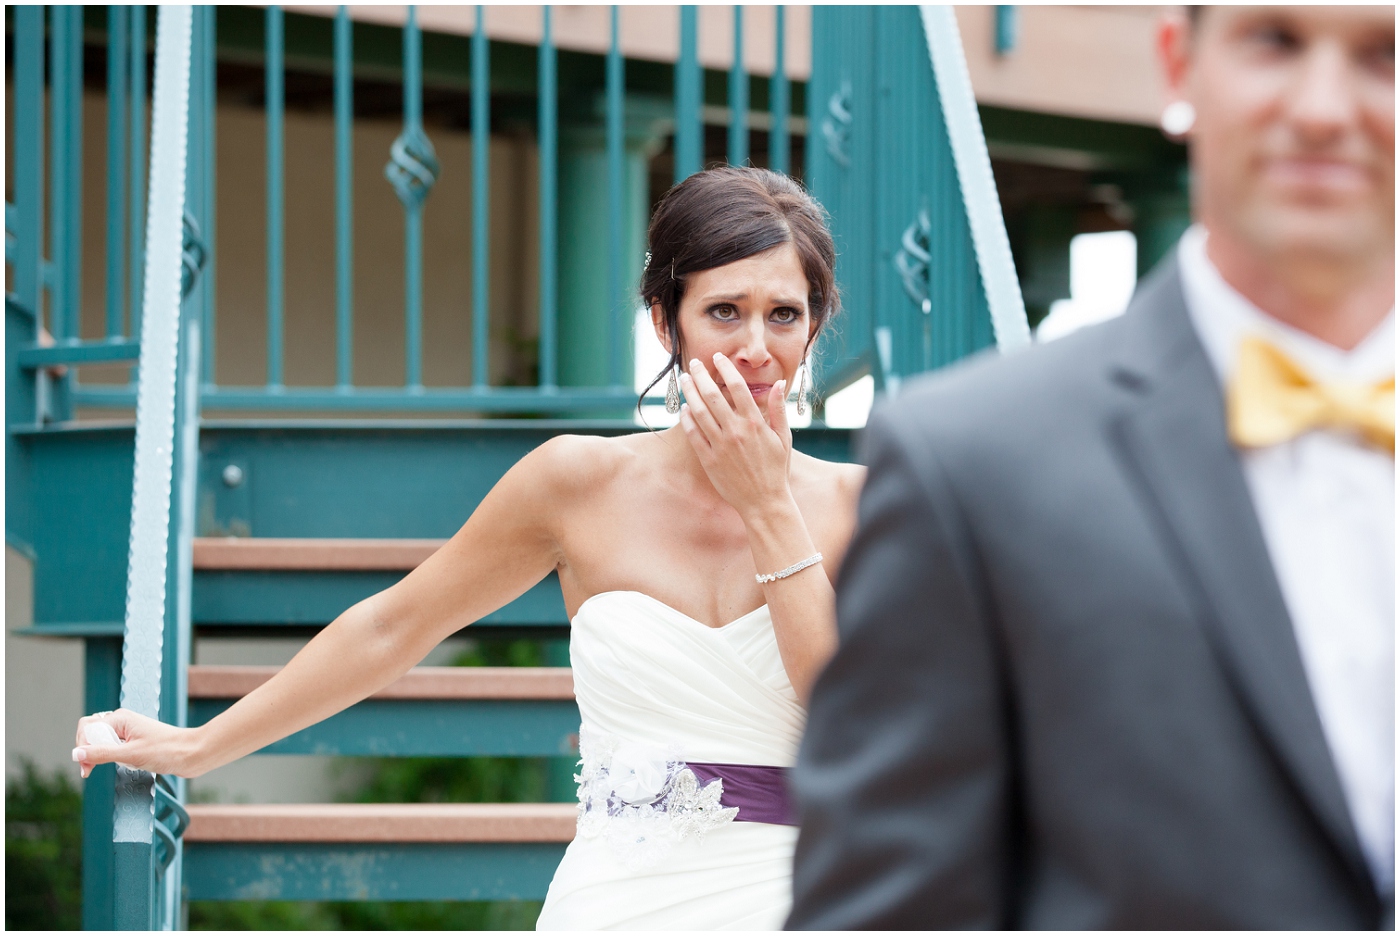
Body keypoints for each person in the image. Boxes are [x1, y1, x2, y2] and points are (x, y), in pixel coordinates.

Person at [72, 167, 865, 930]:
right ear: (666, 322)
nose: (758, 346)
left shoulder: (862, 505)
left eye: (784, 314)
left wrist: (767, 507)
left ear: (815, 325)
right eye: (724, 311)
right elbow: (394, 627)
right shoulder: (576, 481)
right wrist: (201, 745)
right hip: (620, 898)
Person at [789, 5, 1393, 929]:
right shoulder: (973, 465)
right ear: (1177, 65)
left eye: (1386, 53)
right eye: (1274, 40)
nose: (1322, 109)